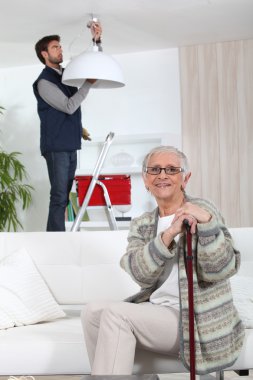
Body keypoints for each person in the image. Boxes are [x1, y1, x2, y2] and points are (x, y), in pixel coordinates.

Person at [81, 145, 245, 375]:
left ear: (185, 178)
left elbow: (220, 269)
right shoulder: (143, 223)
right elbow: (140, 274)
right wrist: (168, 235)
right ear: (146, 180)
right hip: (159, 312)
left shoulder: (202, 210)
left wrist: (207, 224)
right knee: (91, 312)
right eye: (155, 170)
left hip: (199, 321)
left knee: (116, 315)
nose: (162, 176)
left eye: (171, 169)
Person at [33, 22, 102, 231]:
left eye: (60, 46)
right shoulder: (44, 82)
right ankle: (55, 240)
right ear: (44, 54)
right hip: (56, 147)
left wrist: (96, 41)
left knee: (64, 192)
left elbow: (89, 64)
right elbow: (69, 106)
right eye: (55, 47)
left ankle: (57, 236)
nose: (60, 50)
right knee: (60, 195)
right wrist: (88, 83)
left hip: (69, 144)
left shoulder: (64, 75)